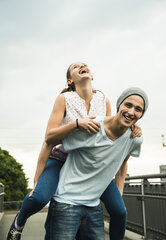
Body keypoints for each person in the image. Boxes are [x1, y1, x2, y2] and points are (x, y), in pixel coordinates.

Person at [7, 63, 140, 240]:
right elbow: (49, 137)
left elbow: (112, 127)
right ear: (70, 80)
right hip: (61, 157)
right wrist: (76, 123)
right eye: (76, 67)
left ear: (92, 76)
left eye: (85, 65)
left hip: (90, 164)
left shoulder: (103, 99)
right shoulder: (64, 98)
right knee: (38, 198)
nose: (82, 66)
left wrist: (133, 125)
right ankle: (19, 221)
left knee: (119, 211)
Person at [44, 87, 148, 240]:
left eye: (138, 109)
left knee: (120, 212)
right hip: (65, 204)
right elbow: (50, 141)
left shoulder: (134, 139)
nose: (131, 112)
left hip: (93, 207)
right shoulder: (92, 127)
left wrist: (118, 196)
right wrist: (37, 178)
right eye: (128, 105)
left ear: (141, 115)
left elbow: (123, 163)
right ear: (119, 105)